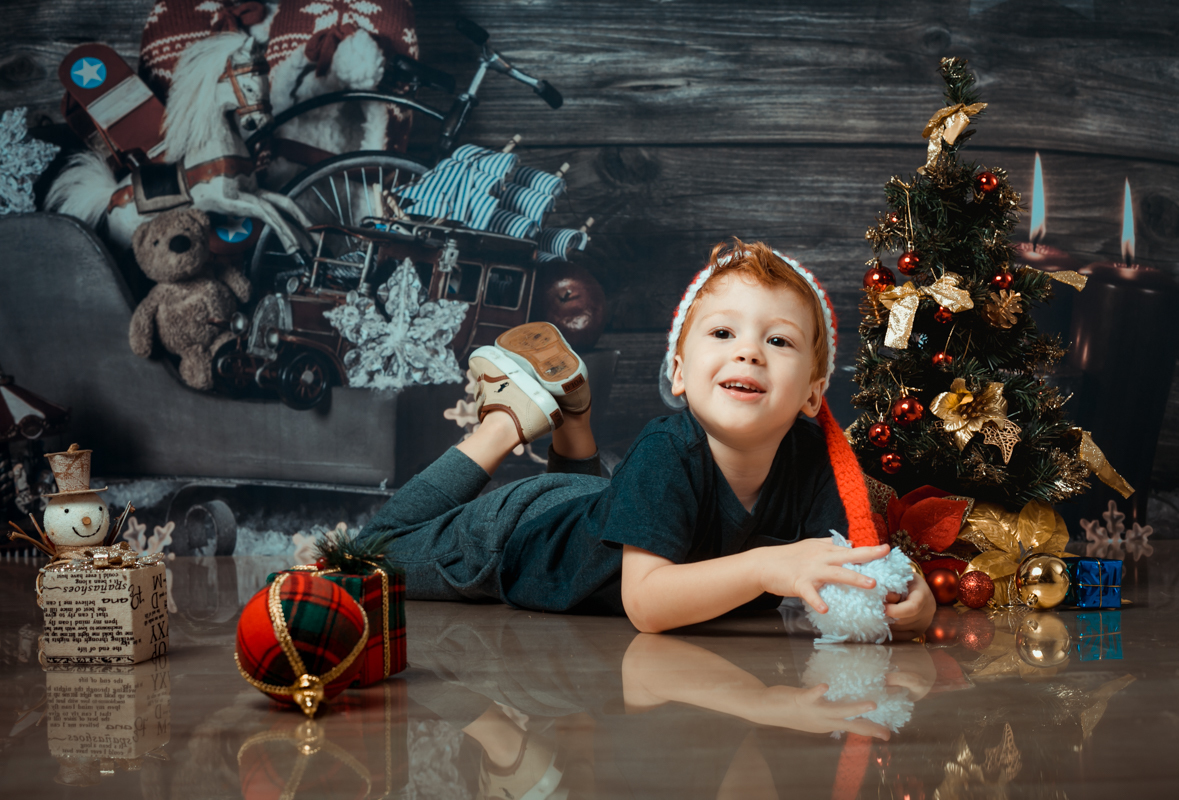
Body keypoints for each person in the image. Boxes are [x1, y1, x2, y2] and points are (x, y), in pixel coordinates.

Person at [357, 240, 935, 637]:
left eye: (779, 341)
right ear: (679, 374)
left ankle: (571, 421)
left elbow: (851, 563)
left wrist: (907, 600)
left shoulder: (814, 461)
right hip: (513, 538)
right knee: (367, 556)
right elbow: (647, 602)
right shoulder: (668, 448)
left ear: (813, 393)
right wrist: (767, 567)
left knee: (592, 509)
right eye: (724, 332)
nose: (749, 350)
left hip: (597, 511)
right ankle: (504, 426)